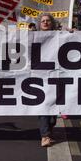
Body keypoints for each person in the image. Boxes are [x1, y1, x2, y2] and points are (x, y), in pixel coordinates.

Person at [35, 14, 58, 147]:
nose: (45, 23)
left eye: (47, 21)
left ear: (52, 23)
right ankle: (45, 136)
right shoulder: (33, 36)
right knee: (44, 106)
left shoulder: (59, 35)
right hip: (39, 76)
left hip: (55, 76)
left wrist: (70, 33)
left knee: (53, 109)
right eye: (42, 21)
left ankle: (48, 129)